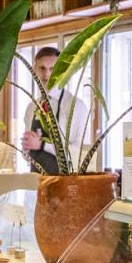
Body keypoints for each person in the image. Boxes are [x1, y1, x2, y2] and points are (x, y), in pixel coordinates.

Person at [19, 45, 90, 174]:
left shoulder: (75, 106)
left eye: (52, 69)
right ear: (34, 70)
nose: (46, 74)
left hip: (64, 185)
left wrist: (42, 145)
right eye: (42, 68)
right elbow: (26, 156)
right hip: (34, 184)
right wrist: (27, 146)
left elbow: (79, 152)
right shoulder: (32, 107)